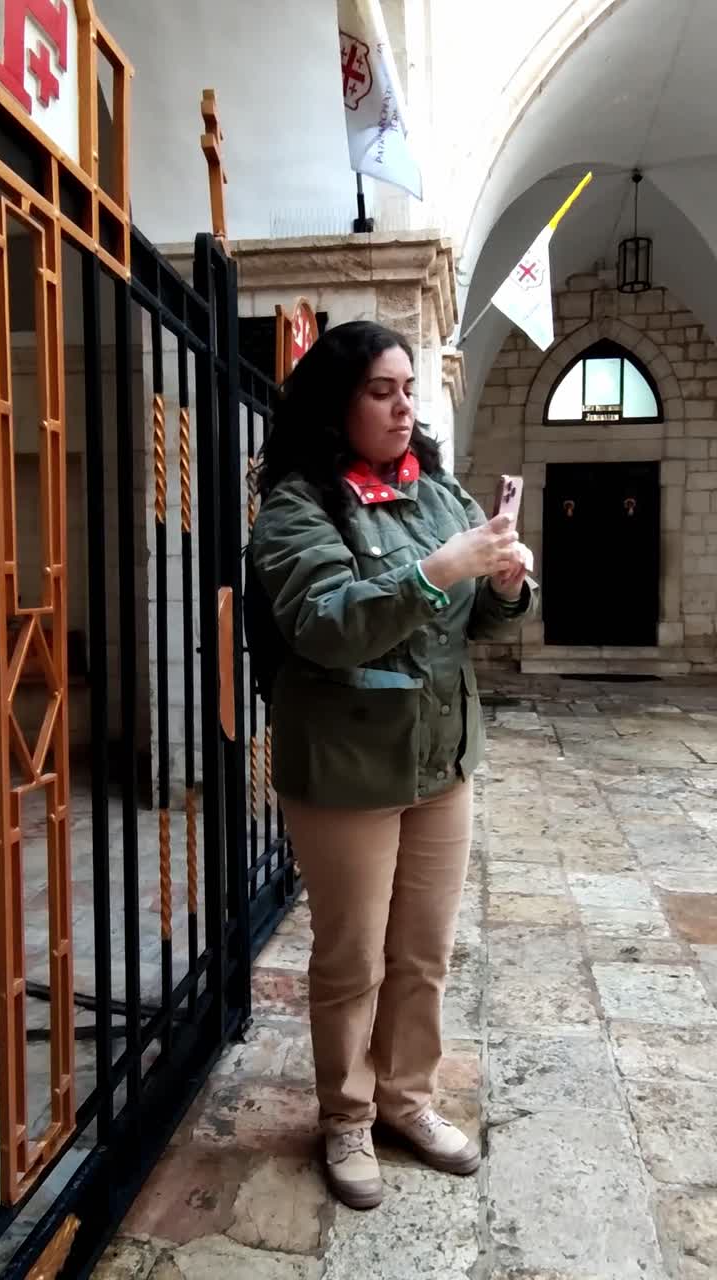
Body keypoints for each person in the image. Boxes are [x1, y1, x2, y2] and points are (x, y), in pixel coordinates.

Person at [251, 320, 536, 1210]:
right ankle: (345, 1115)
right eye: (382, 389)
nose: (405, 404)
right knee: (351, 959)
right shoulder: (300, 504)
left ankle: (407, 1100)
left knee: (425, 950)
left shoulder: (441, 494)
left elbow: (480, 632)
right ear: (339, 403)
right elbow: (326, 623)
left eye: (410, 387)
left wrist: (504, 585)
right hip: (345, 770)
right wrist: (435, 573)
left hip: (442, 759)